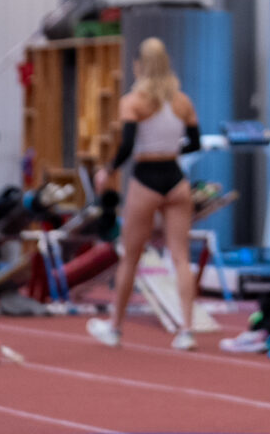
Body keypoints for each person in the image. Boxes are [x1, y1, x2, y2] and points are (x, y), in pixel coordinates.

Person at [86, 38, 202, 351]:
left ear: (139, 65)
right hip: (175, 177)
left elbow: (126, 146)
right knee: (180, 257)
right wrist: (171, 149)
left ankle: (115, 327)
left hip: (146, 178)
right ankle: (187, 330)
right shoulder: (183, 102)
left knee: (131, 256)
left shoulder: (133, 102)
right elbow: (195, 142)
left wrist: (107, 170)